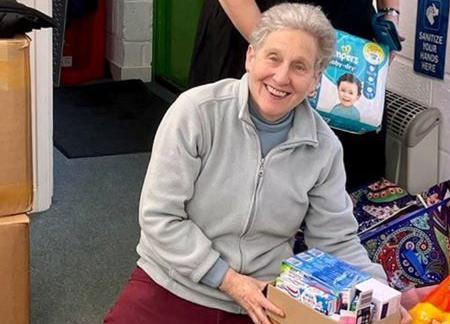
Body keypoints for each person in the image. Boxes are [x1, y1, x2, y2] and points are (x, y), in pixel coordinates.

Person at [104, 4, 394, 324]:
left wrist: (389, 296)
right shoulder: (197, 112)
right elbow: (160, 217)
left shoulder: (324, 148)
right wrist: (228, 280)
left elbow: (336, 241)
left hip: (259, 301)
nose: (281, 77)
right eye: (273, 57)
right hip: (173, 282)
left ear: (315, 80)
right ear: (250, 57)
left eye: (299, 67)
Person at [189, 0, 402, 191]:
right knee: (239, 176)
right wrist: (273, 52)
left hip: (349, 36)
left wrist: (390, 15)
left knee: (347, 181)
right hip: (254, 22)